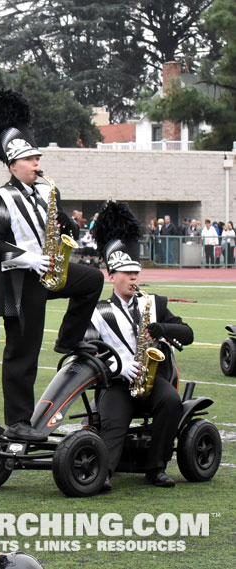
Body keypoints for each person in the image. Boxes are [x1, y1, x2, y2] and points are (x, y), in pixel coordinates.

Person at [0, 89, 103, 441]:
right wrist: (32, 258)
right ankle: (18, 421)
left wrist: (68, 225)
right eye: (31, 159)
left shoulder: (45, 191)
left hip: (49, 272)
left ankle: (69, 339)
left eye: (37, 158)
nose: (37, 164)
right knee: (23, 352)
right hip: (21, 282)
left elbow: (61, 223)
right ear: (13, 164)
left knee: (92, 280)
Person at [86, 201, 193, 490]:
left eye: (136, 272)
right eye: (127, 273)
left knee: (171, 401)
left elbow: (187, 333)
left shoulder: (154, 303)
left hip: (151, 379)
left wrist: (161, 328)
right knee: (115, 422)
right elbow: (86, 351)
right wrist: (119, 367)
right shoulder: (97, 311)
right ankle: (102, 473)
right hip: (116, 383)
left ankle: (155, 467)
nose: (134, 277)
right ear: (112, 276)